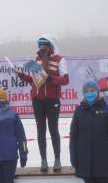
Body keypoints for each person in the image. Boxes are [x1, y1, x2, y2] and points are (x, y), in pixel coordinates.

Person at [17, 34, 69, 172]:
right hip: (37, 99)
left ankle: (57, 159)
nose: (41, 47)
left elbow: (65, 79)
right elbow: (35, 80)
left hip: (52, 99)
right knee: (40, 130)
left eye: (44, 45)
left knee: (53, 129)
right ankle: (43, 160)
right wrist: (22, 76)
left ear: (51, 45)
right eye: (40, 45)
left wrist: (52, 79)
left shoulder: (60, 59)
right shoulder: (36, 60)